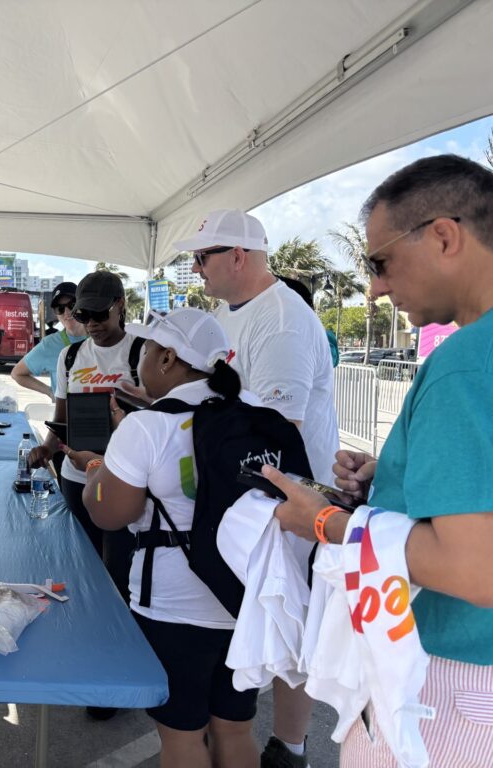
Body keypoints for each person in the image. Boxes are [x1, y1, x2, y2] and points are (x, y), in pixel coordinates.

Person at [264, 154, 493, 767]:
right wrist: (388, 484)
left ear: (444, 236)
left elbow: (476, 569)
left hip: (447, 685)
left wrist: (325, 522)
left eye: (381, 262)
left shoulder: (466, 362)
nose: (376, 287)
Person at [177, 209, 339, 768]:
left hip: (289, 501)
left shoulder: (284, 321)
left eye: (202, 257)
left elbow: (278, 427)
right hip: (248, 496)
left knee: (293, 624)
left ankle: (290, 747)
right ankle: (232, 723)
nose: (196, 269)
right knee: (261, 617)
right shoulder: (230, 313)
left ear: (237, 256)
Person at [79, 308, 259, 768]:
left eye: (147, 349)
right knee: (236, 727)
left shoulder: (148, 426)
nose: (139, 359)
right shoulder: (260, 412)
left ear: (167, 358)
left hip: (176, 606)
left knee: (183, 736)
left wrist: (100, 468)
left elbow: (109, 515)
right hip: (251, 598)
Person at [27, 270, 142, 720]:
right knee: (85, 573)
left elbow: (161, 418)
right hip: (79, 481)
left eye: (99, 313)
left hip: (126, 482)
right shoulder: (72, 357)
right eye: (82, 314)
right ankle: (92, 664)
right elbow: (62, 416)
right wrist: (48, 446)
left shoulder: (142, 351)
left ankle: (115, 679)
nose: (91, 322)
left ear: (120, 305)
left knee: (118, 579)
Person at [11, 281, 87, 401]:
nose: (66, 312)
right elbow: (17, 373)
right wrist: (50, 392)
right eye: (60, 309)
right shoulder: (49, 344)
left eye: (72, 305)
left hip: (98, 416)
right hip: (64, 417)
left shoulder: (99, 337)